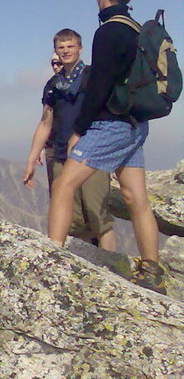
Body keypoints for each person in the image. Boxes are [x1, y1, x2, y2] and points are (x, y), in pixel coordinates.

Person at [47, 0, 164, 294]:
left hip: (110, 123)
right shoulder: (136, 29)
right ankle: (151, 271)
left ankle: (50, 261)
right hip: (136, 124)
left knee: (63, 185)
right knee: (135, 197)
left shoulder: (108, 32)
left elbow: (99, 85)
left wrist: (79, 130)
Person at [22, 29, 115, 251]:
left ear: (79, 48)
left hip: (92, 153)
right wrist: (31, 158)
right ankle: (87, 266)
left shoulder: (93, 76)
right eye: (61, 47)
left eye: (70, 46)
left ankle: (112, 270)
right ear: (56, 51)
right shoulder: (53, 84)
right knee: (73, 221)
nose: (65, 51)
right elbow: (45, 122)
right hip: (62, 155)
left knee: (98, 216)